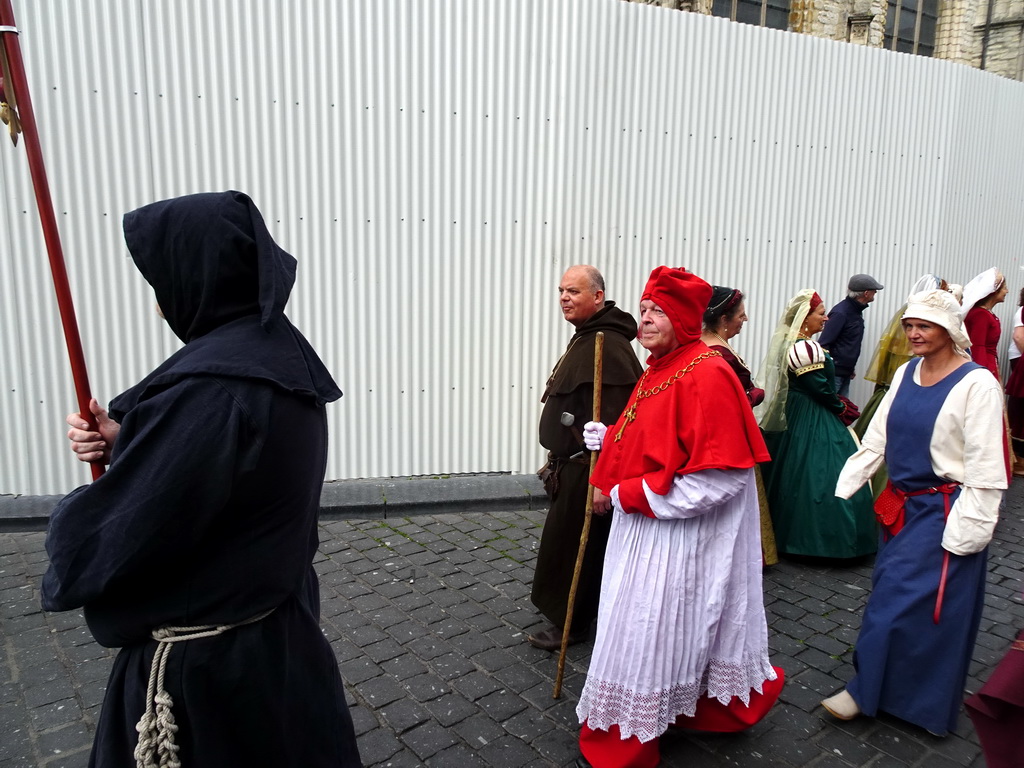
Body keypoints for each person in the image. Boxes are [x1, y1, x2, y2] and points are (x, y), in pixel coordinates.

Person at [41, 192, 361, 767]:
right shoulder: (274, 355)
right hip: (276, 648)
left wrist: (92, 500)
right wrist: (132, 444)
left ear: (200, 275)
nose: (160, 302)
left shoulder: (210, 392)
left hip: (212, 678)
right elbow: (226, 475)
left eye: (162, 278)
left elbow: (97, 547)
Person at [575, 266, 783, 768]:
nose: (643, 320)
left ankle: (630, 739)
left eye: (657, 312)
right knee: (664, 628)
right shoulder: (661, 365)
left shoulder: (708, 372)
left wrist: (627, 493)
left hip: (680, 538)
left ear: (686, 318)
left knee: (648, 630)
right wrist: (611, 439)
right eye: (643, 309)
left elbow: (721, 479)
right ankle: (680, 709)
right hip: (648, 532)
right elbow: (658, 438)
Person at [822, 288, 1007, 736]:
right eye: (909, 326)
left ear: (949, 330)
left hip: (946, 514)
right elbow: (879, 436)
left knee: (915, 608)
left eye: (924, 326)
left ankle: (886, 695)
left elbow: (986, 465)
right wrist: (853, 479)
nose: (914, 334)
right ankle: (887, 691)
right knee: (893, 595)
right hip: (900, 509)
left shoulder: (977, 384)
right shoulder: (906, 373)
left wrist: (971, 527)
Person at [530, 265, 643, 650]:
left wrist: (602, 482)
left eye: (574, 291)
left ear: (598, 296)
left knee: (579, 547)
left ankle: (573, 625)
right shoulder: (587, 337)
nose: (564, 297)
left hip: (588, 470)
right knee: (563, 543)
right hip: (572, 467)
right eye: (561, 290)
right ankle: (566, 614)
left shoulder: (606, 346)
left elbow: (614, 424)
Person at [755, 290, 876, 559]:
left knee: (793, 470)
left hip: (798, 409)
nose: (826, 317)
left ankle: (789, 533)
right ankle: (820, 539)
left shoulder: (798, 344)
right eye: (821, 313)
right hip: (813, 411)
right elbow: (819, 388)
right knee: (823, 470)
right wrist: (840, 406)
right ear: (805, 318)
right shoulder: (804, 347)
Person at [700, 285, 777, 566]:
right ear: (723, 319)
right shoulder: (721, 354)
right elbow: (732, 399)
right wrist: (758, 394)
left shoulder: (702, 344)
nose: (744, 320)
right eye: (741, 315)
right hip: (731, 437)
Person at [818, 273, 884, 398]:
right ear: (866, 293)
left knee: (842, 413)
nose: (875, 292)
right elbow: (824, 344)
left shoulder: (855, 312)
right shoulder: (841, 313)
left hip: (844, 373)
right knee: (831, 411)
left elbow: (847, 343)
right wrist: (830, 370)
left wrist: (849, 369)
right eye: (874, 291)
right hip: (834, 375)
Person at [961, 267, 1008, 381]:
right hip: (984, 365)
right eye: (1005, 288)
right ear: (995, 291)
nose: (1007, 291)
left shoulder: (986, 314)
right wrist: (982, 373)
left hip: (990, 363)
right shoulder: (981, 315)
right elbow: (977, 347)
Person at [1004, 287, 1024, 475]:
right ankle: (1017, 457)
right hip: (1021, 358)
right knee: (1020, 406)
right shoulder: (1022, 311)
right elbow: (1019, 337)